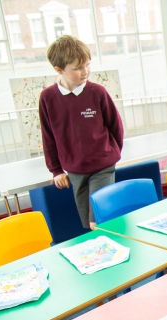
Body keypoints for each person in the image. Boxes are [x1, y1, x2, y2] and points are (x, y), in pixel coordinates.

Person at [39, 35, 124, 230]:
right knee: (87, 222)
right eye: (77, 68)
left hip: (102, 165)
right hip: (74, 169)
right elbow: (48, 136)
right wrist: (56, 170)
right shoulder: (47, 97)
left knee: (98, 220)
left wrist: (111, 153)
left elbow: (115, 126)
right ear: (59, 70)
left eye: (87, 65)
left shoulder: (97, 92)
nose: (85, 72)